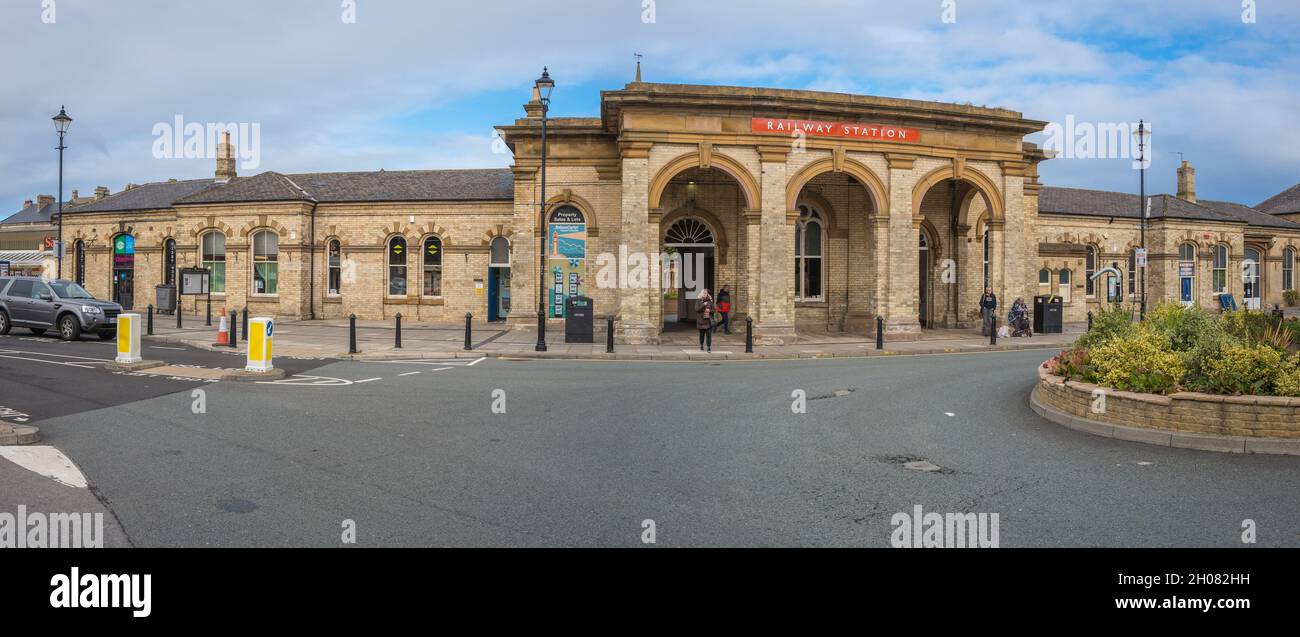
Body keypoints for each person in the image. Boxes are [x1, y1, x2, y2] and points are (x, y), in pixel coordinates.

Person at [696, 288, 715, 352]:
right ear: (701, 294)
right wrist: (703, 305)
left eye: (706, 293)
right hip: (701, 321)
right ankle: (701, 345)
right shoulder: (698, 301)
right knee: (702, 335)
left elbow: (714, 310)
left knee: (709, 335)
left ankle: (709, 347)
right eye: (704, 293)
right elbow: (697, 309)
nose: (705, 294)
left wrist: (710, 310)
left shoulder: (710, 301)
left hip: (708, 321)